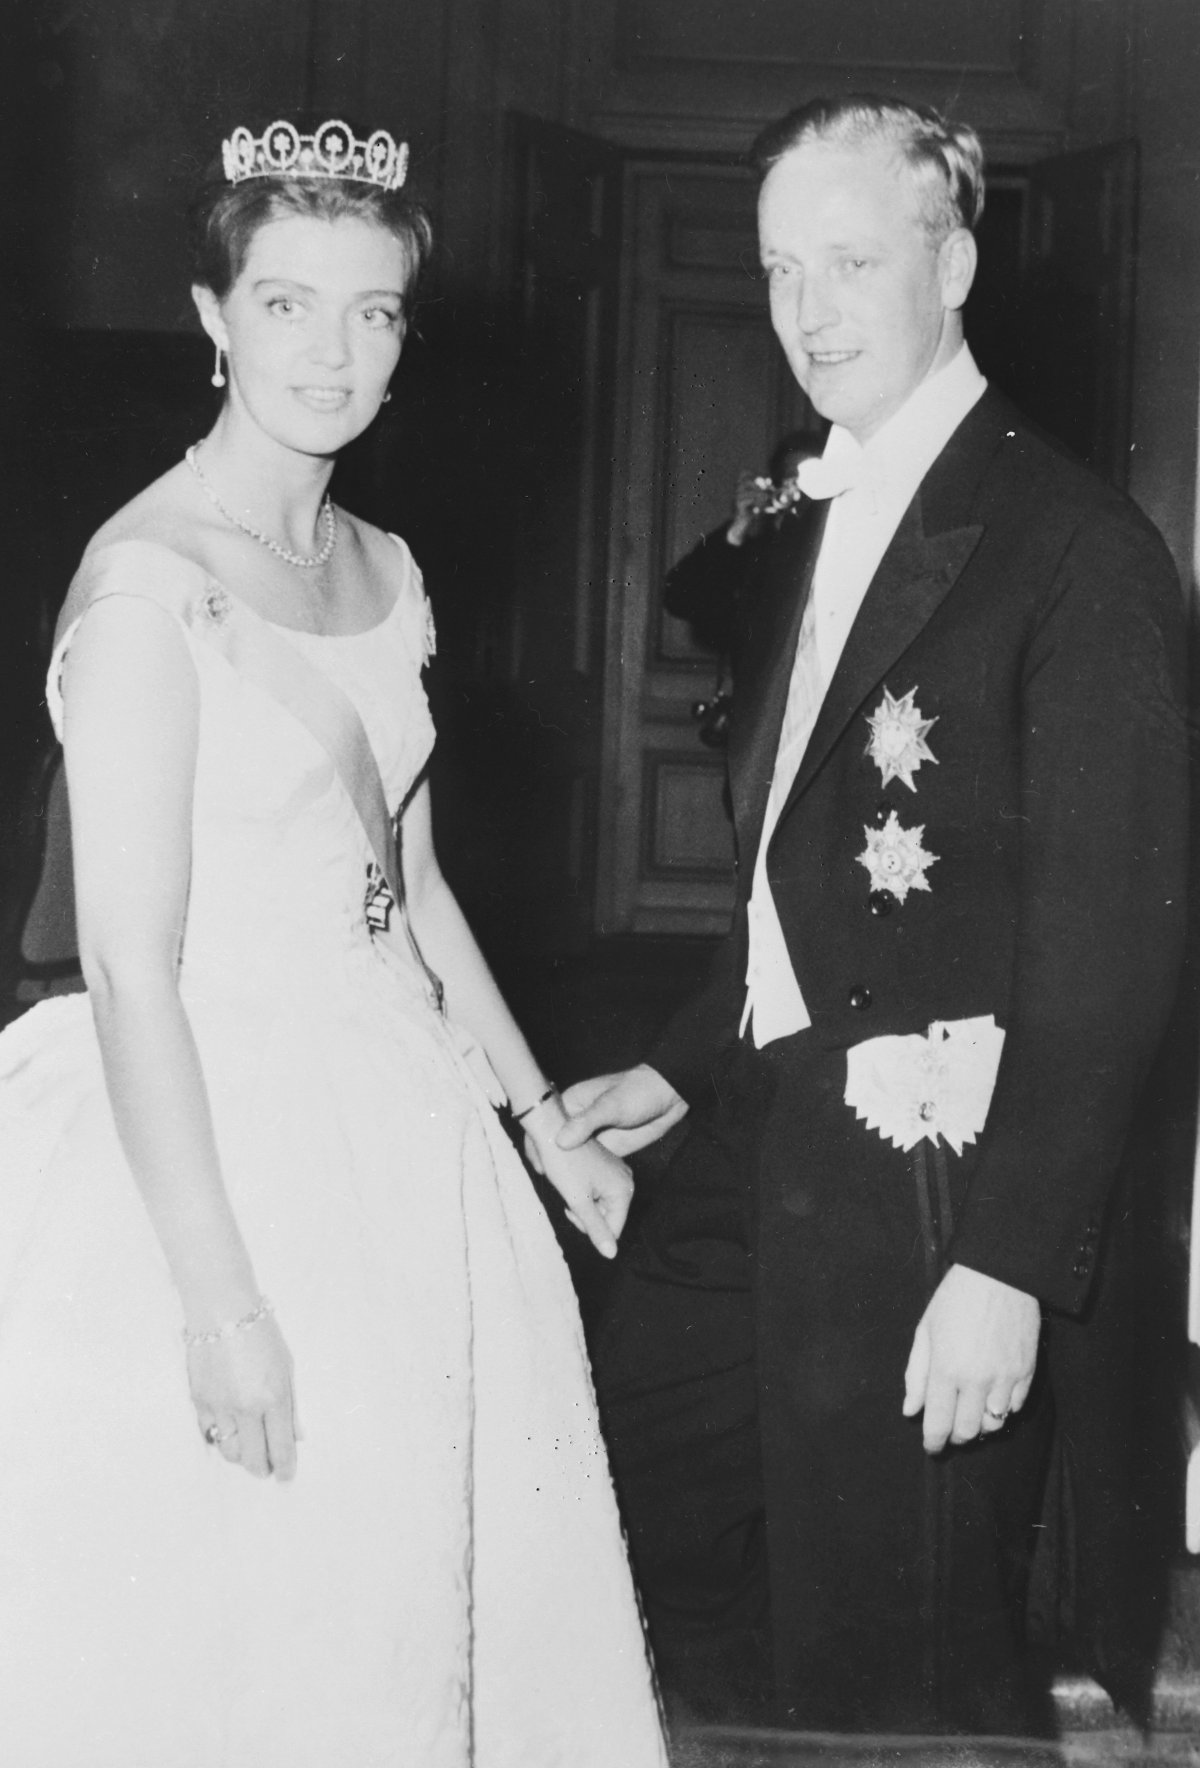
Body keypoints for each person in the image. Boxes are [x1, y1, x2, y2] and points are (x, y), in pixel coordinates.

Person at [0, 119, 667, 1768]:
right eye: (287, 305)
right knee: (253, 1620)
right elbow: (132, 963)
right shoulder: (149, 590)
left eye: (372, 313)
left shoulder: (385, 564)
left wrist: (534, 1121)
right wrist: (221, 1308)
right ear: (212, 317)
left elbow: (414, 887)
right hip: (214, 1138)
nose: (333, 350)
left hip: (399, 1124)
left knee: (415, 1605)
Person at [557, 94, 1189, 1736]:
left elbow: (1112, 953)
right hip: (760, 1131)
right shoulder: (814, 501)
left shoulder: (1074, 550)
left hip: (932, 1186)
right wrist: (698, 1055)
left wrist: (1006, 1263)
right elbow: (803, 851)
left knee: (893, 1655)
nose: (810, 312)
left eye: (851, 261)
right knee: (632, 1508)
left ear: (954, 260)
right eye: (780, 270)